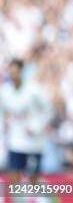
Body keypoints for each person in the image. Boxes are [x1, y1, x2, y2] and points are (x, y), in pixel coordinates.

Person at [0, 59, 53, 187]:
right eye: (11, 73)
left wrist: (37, 127)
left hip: (34, 142)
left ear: (22, 72)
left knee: (33, 180)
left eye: (16, 73)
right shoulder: (5, 92)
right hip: (16, 141)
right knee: (14, 177)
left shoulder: (34, 90)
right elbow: (3, 113)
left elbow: (49, 110)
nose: (13, 76)